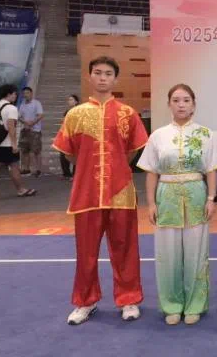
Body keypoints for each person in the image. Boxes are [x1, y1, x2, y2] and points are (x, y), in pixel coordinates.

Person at [53, 56, 148, 326]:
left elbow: (132, 151)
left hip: (121, 192)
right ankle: (86, 301)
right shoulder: (75, 114)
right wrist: (88, 168)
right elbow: (69, 153)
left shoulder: (128, 113)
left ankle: (128, 299)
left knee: (125, 248)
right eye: (98, 72)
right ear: (89, 76)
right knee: (86, 252)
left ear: (115, 79)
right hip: (86, 194)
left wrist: (116, 168)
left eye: (108, 73)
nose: (103, 77)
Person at [138, 84, 217, 326]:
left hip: (196, 197)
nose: (181, 104)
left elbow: (211, 170)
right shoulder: (158, 136)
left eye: (186, 100)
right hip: (166, 199)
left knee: (197, 254)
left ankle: (195, 305)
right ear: (169, 104)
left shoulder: (205, 135)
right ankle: (172, 305)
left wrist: (211, 199)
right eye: (176, 100)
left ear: (194, 104)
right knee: (167, 255)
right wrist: (151, 204)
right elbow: (151, 172)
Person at [0, 84, 37, 202]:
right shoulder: (11, 109)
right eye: (14, 93)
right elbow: (11, 128)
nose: (16, 96)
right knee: (14, 167)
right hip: (8, 144)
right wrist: (14, 145)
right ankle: (21, 190)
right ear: (8, 94)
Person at [18, 86, 44, 177]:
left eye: (27, 93)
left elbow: (40, 115)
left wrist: (32, 123)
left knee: (36, 151)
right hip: (25, 130)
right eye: (24, 93)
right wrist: (25, 122)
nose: (25, 95)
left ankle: (38, 170)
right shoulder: (22, 104)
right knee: (24, 150)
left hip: (35, 130)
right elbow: (19, 116)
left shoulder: (37, 103)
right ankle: (26, 169)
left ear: (31, 93)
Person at [59, 95, 80, 180]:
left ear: (76, 102)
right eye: (68, 100)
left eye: (71, 99)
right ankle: (66, 173)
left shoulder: (79, 111)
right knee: (63, 154)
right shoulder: (67, 111)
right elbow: (63, 123)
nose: (69, 101)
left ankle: (75, 175)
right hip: (66, 136)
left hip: (75, 136)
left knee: (75, 155)